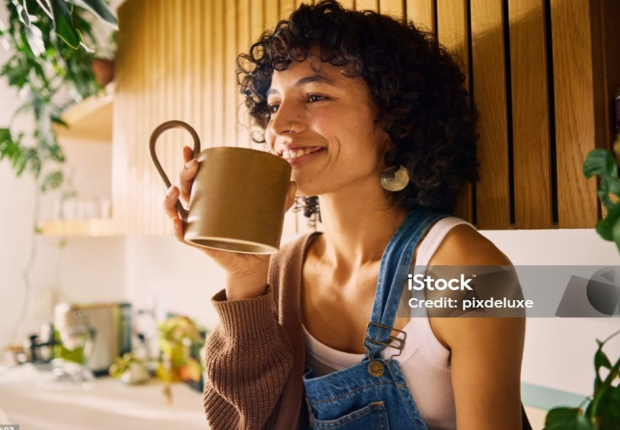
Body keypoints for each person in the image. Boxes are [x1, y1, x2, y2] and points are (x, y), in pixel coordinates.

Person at [162, 1, 528, 429]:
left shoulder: (470, 271)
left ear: (397, 120)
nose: (279, 126)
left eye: (315, 96)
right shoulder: (282, 271)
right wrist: (244, 276)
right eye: (274, 103)